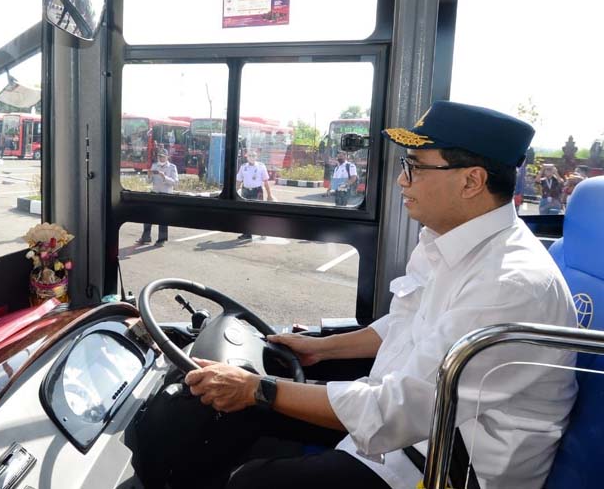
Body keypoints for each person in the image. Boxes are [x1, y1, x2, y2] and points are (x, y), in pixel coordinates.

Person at [182, 101, 577, 489]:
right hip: (407, 433)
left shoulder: (510, 283)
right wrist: (322, 348)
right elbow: (407, 323)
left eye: (415, 167)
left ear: (471, 181)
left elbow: (395, 411)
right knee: (233, 416)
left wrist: (255, 388)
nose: (402, 180)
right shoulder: (447, 240)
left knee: (253, 481)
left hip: (444, 467)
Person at [136, 148, 178, 246]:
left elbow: (175, 182)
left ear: (167, 157)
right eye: (159, 156)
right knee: (147, 216)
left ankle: (161, 239)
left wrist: (164, 177)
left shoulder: (172, 167)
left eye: (163, 156)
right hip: (154, 193)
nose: (161, 158)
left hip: (165, 195)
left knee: (163, 218)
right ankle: (146, 237)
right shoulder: (155, 165)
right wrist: (149, 176)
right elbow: (148, 182)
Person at [235, 149, 273, 240]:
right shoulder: (243, 167)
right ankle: (247, 234)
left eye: (253, 156)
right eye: (250, 156)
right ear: (246, 157)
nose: (252, 157)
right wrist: (235, 193)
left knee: (259, 212)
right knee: (245, 213)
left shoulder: (261, 166)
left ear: (257, 157)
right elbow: (239, 181)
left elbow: (266, 181)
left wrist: (269, 195)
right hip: (245, 191)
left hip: (257, 191)